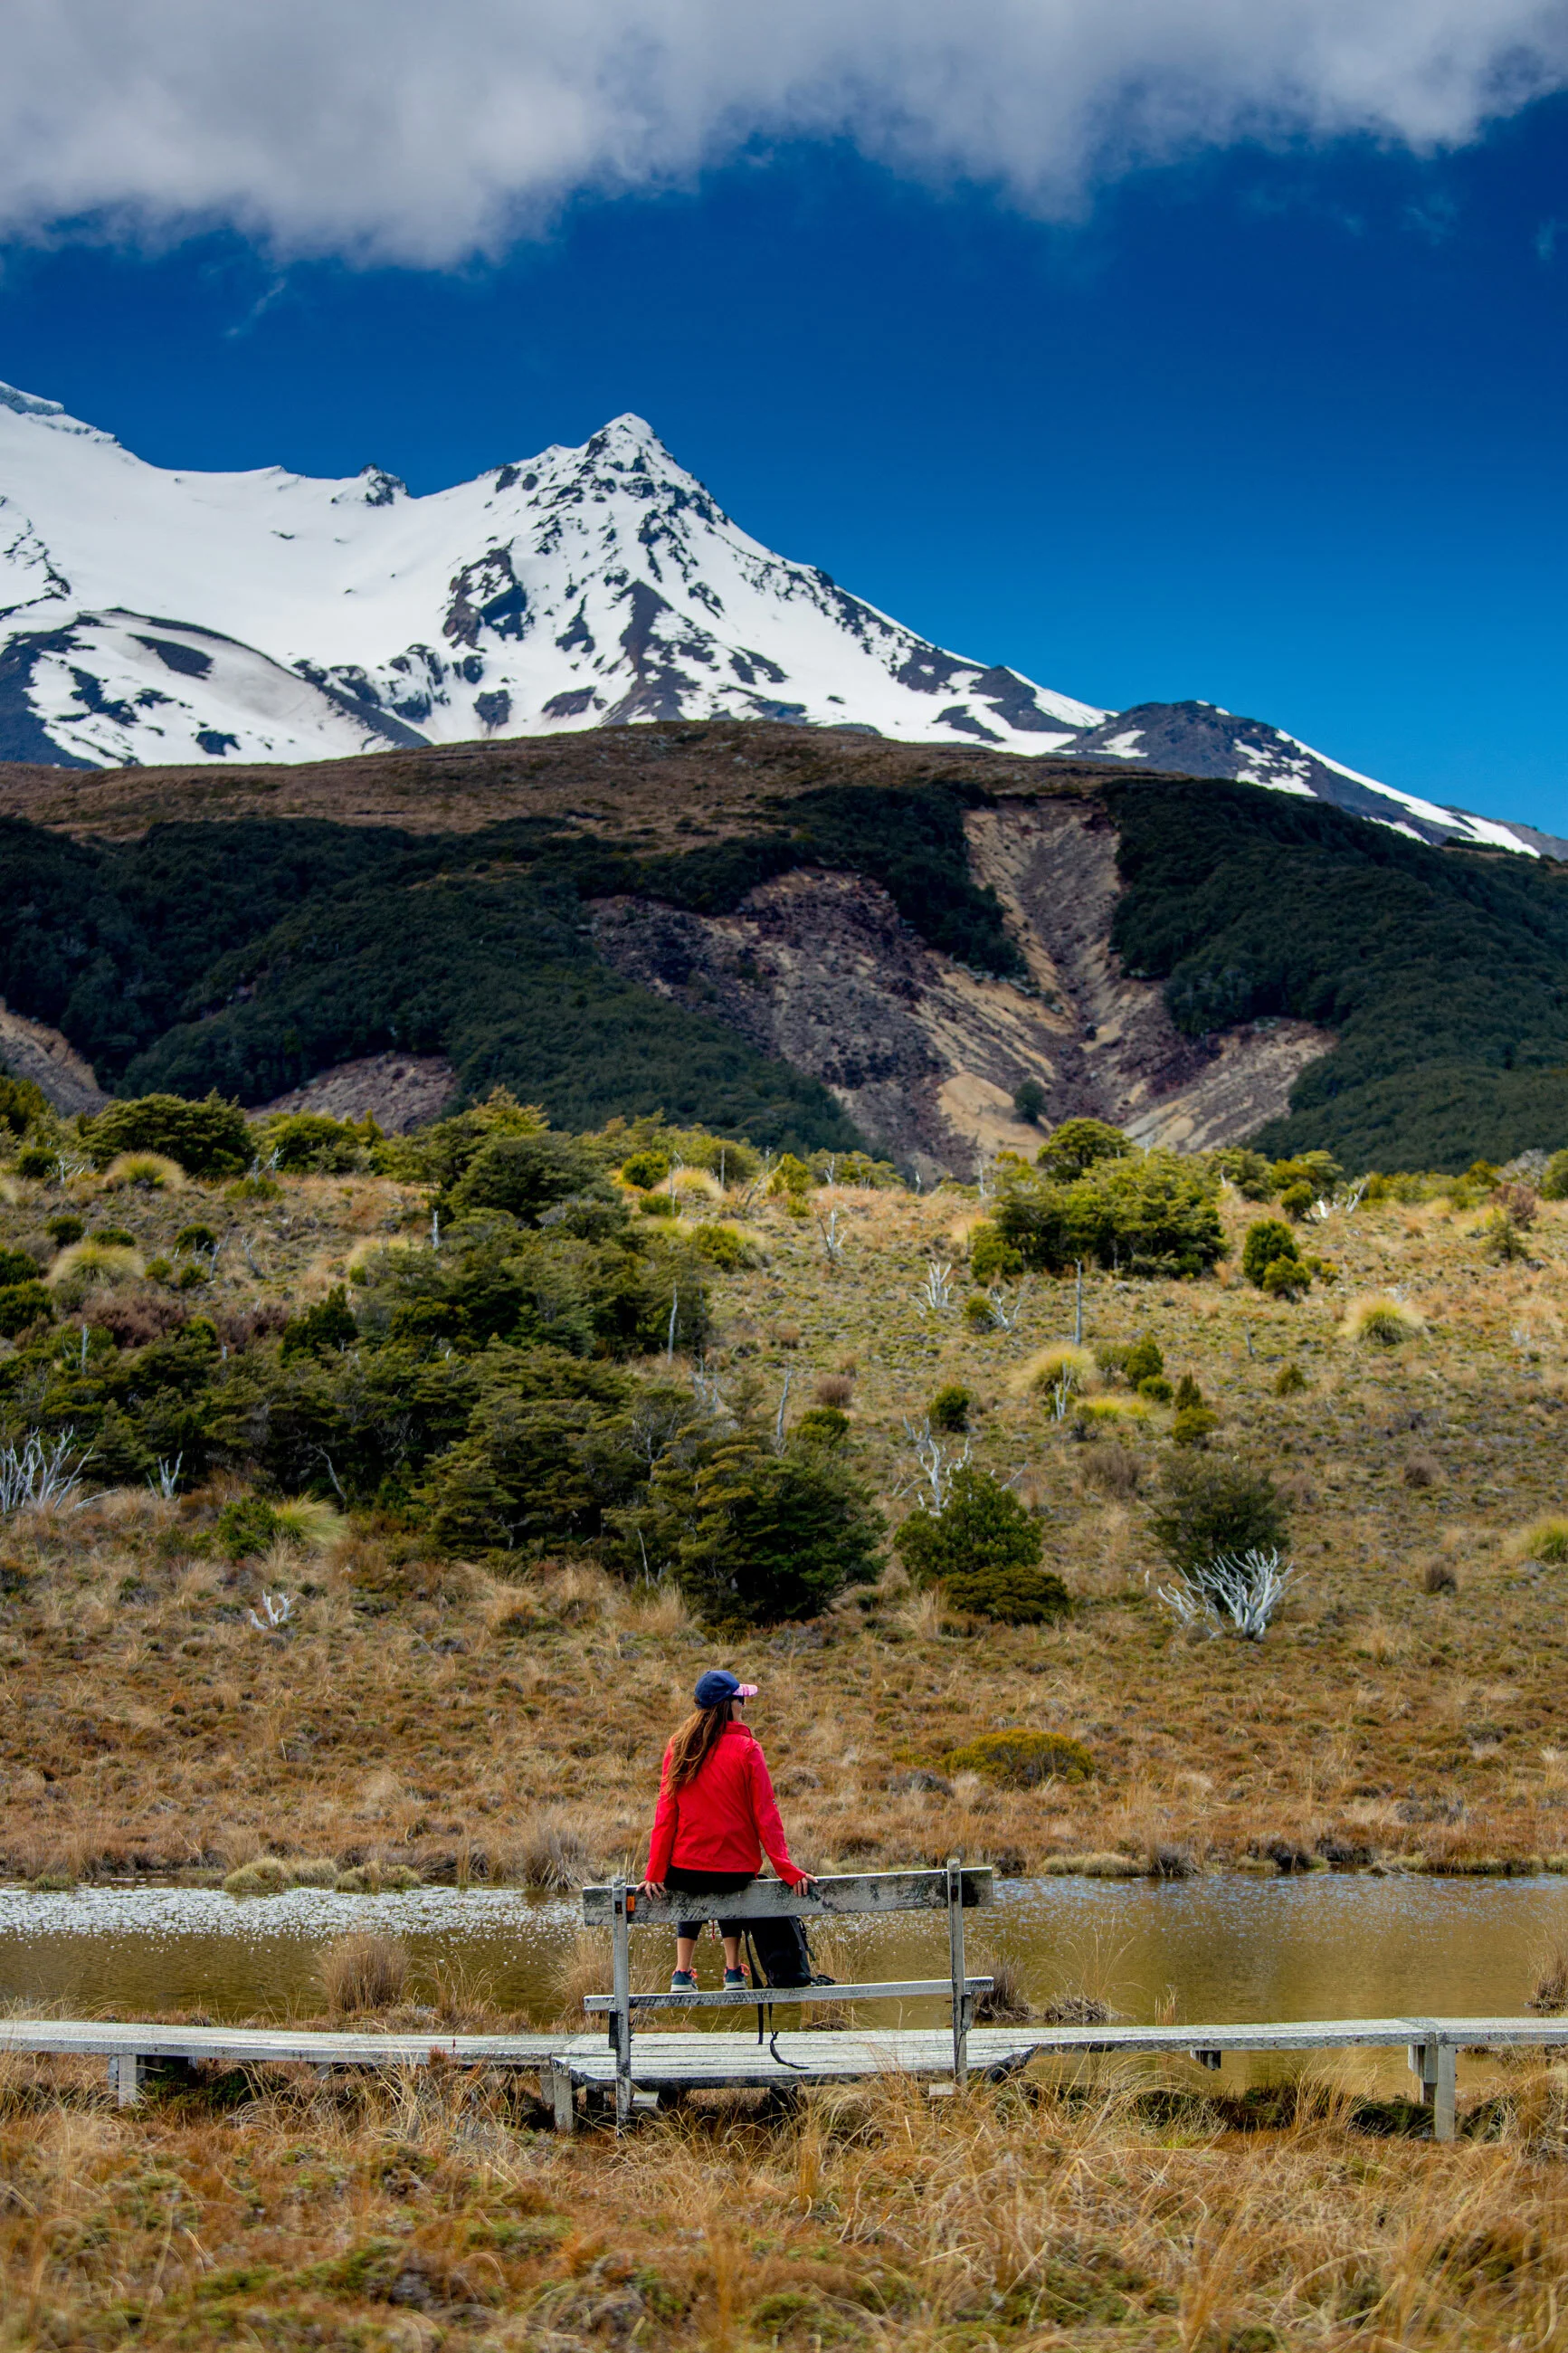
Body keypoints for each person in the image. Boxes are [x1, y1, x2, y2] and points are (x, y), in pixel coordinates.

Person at [642, 1668, 814, 1993]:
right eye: (740, 1700)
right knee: (729, 1878)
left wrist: (654, 1873)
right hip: (736, 1873)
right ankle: (733, 1971)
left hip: (685, 1873)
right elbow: (766, 1816)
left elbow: (666, 1815)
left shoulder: (678, 1747)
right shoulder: (748, 1749)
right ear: (728, 1705)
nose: (744, 1706)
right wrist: (786, 1870)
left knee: (693, 1876)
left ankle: (681, 1973)